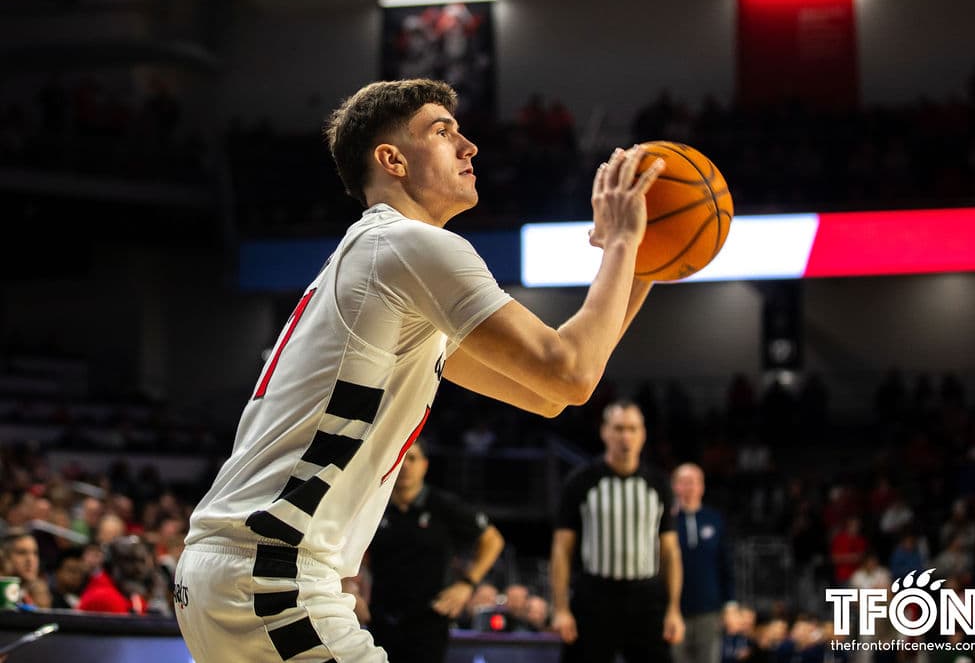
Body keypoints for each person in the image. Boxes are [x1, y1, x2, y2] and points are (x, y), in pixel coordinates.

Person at [174, 79, 664, 663]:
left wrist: (644, 264)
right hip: (272, 573)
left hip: (233, 571)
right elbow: (570, 373)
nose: (469, 146)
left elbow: (549, 398)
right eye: (442, 131)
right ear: (391, 159)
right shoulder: (409, 244)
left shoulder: (384, 266)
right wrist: (622, 244)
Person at [346, 439, 504, 663]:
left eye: (413, 458)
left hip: (429, 620)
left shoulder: (443, 505)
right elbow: (346, 550)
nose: (406, 465)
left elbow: (493, 540)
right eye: (401, 458)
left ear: (425, 465)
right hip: (380, 617)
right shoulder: (374, 506)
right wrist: (349, 588)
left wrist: (467, 584)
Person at [550, 400, 684, 663]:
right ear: (605, 432)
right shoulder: (581, 481)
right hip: (595, 595)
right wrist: (561, 608)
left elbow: (670, 552)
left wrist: (674, 609)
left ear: (643, 434)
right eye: (619, 428)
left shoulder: (658, 483)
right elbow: (561, 548)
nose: (626, 436)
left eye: (633, 429)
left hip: (646, 596)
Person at [671, 463, 737, 663]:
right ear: (674, 486)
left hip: (709, 611)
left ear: (702, 486)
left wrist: (730, 605)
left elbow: (725, 565)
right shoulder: (664, 521)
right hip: (674, 612)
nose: (689, 487)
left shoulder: (714, 519)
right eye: (683, 482)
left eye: (693, 482)